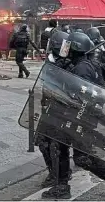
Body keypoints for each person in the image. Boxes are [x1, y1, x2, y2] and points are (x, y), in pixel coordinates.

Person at [41, 32, 105, 199]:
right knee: (59, 147)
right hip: (71, 115)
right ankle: (62, 186)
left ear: (75, 49)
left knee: (82, 157)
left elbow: (87, 96)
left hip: (81, 116)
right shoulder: (79, 64)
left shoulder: (82, 68)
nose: (65, 49)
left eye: (68, 46)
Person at [37, 30, 73, 188]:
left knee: (54, 144)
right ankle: (56, 172)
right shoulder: (53, 60)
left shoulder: (69, 64)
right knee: (42, 141)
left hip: (61, 109)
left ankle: (58, 175)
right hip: (50, 106)